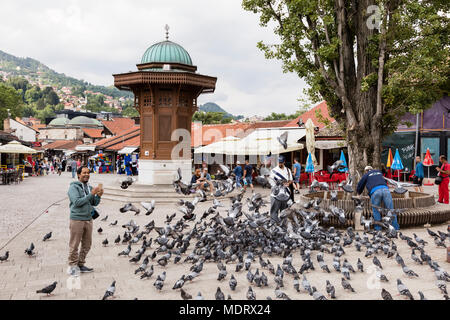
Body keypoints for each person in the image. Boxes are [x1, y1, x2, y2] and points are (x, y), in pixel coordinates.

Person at [67, 166, 103, 276]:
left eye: (88, 172)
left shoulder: (89, 187)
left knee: (87, 244)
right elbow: (77, 202)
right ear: (78, 175)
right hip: (77, 219)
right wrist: (91, 194)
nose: (86, 174)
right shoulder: (73, 188)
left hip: (88, 219)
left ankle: (80, 264)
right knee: (74, 244)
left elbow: (94, 203)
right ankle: (72, 267)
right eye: (84, 173)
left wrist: (98, 196)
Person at [357, 165, 400, 230]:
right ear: (372, 169)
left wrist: (358, 192)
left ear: (366, 171)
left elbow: (360, 184)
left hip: (375, 191)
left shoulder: (366, 175)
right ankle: (395, 228)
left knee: (375, 210)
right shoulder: (379, 172)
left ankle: (378, 228)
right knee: (391, 210)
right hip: (386, 190)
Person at [269, 156, 293, 223]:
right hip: (275, 194)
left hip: (285, 194)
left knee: (284, 211)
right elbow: (270, 181)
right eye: (279, 162)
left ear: (284, 162)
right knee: (274, 211)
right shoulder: (273, 170)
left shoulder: (288, 170)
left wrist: (288, 183)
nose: (280, 164)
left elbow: (291, 180)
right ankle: (273, 225)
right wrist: (276, 185)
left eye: (281, 163)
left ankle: (283, 225)